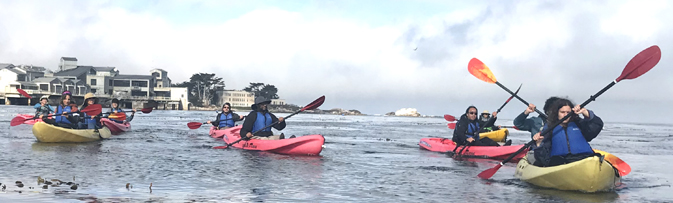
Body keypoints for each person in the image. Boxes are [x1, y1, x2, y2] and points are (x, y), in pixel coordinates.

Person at [532, 98, 604, 167]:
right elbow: (543, 157)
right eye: (562, 112)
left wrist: (586, 113)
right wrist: (538, 144)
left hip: (583, 158)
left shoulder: (579, 124)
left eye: (568, 112)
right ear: (556, 113)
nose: (565, 115)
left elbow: (597, 126)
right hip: (560, 161)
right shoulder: (549, 128)